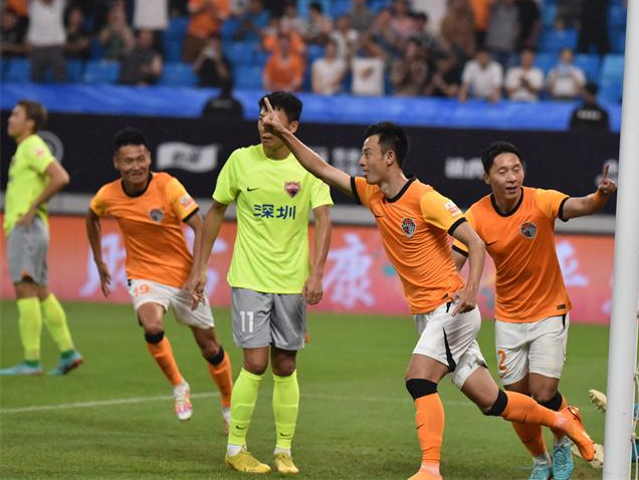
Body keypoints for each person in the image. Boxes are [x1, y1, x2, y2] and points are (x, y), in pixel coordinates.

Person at [259, 102, 596, 480]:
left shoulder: (426, 198)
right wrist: (284, 133)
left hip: (450, 308)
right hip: (427, 314)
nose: (361, 161)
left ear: (389, 157)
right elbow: (321, 168)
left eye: (367, 153)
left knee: (418, 378)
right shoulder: (372, 194)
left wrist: (470, 290)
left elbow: (475, 242)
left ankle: (430, 469)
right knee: (493, 401)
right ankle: (564, 422)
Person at [451, 141, 615, 479]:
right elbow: (455, 259)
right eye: (503, 171)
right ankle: (541, 461)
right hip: (509, 317)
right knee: (516, 401)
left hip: (549, 310)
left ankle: (562, 442)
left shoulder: (540, 200)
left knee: (543, 393)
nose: (512, 177)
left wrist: (600, 196)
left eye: (517, 169)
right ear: (487, 178)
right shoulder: (476, 216)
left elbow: (582, 205)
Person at [189, 91, 332, 474]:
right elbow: (215, 211)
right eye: (261, 119)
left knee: (285, 364)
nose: (265, 127)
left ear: (293, 126)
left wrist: (317, 272)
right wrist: (200, 267)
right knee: (254, 362)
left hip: (291, 282)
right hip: (250, 278)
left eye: (273, 121)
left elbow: (324, 219)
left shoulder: (308, 166)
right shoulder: (240, 160)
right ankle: (236, 448)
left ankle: (284, 450)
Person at [85, 128, 233, 427]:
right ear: (116, 163)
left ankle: (229, 403)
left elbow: (200, 226)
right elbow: (92, 217)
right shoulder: (108, 195)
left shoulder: (168, 186)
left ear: (149, 158)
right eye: (129, 161)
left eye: (141, 159)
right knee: (152, 326)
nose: (136, 166)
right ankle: (179, 386)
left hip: (183, 276)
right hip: (143, 274)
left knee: (210, 347)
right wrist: (99, 260)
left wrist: (198, 272)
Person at [0, 100, 83, 376]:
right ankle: (68, 352)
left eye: (16, 115)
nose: (10, 119)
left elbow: (60, 177)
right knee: (40, 289)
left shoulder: (32, 146)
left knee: (24, 288)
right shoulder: (24, 148)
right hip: (32, 230)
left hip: (27, 229)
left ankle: (31, 361)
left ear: (30, 123)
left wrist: (32, 207)